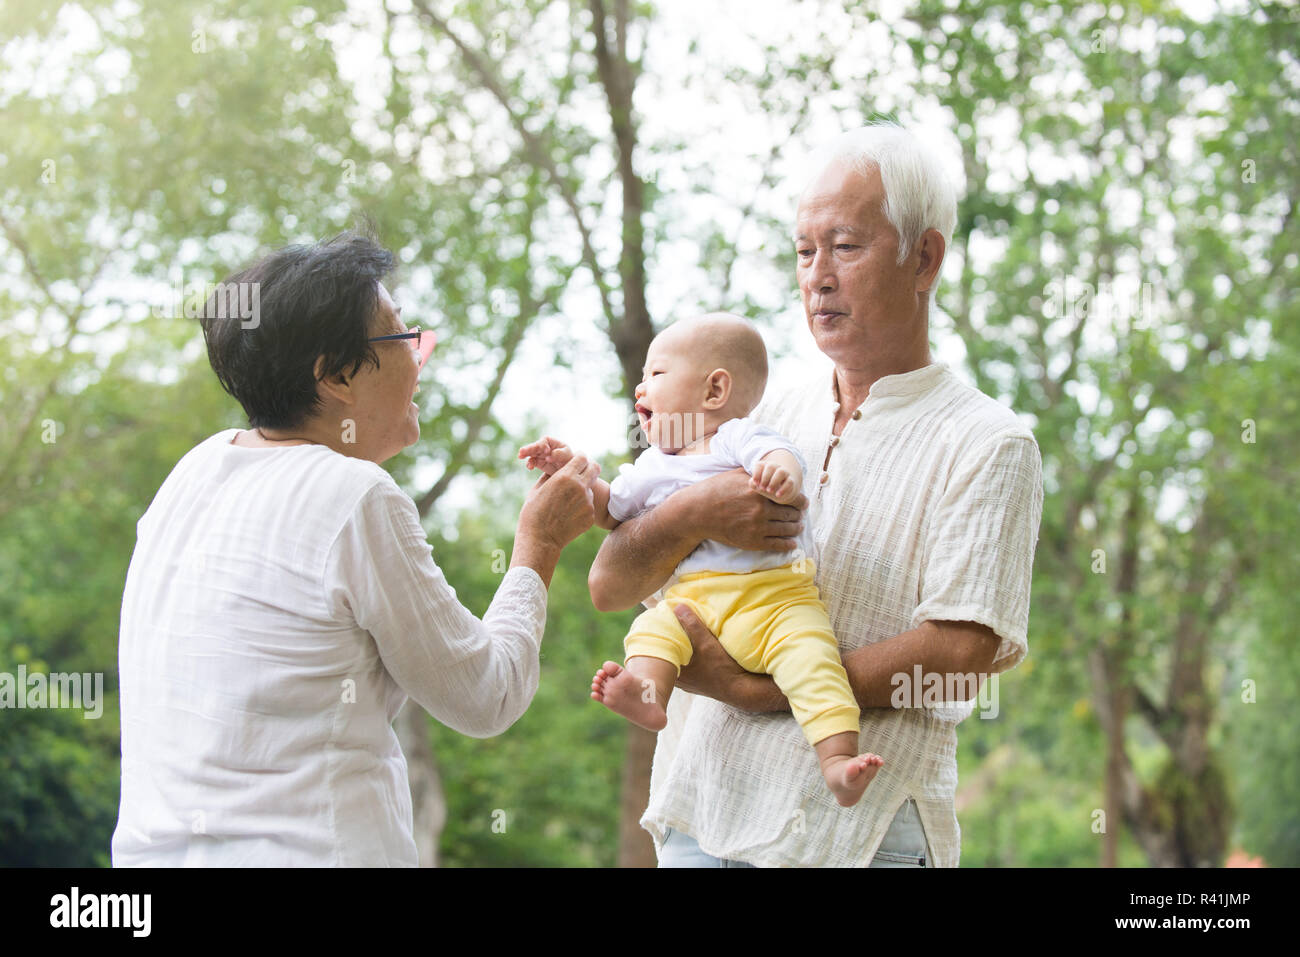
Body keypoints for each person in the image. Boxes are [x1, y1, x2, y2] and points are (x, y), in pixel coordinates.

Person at [587, 123, 1045, 867]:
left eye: (846, 246)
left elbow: (966, 651)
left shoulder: (987, 441)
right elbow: (610, 583)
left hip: (857, 834)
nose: (817, 276)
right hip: (701, 813)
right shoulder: (747, 416)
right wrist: (697, 509)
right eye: (805, 251)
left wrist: (756, 689)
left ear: (923, 256)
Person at [112, 232, 598, 866]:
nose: (420, 358)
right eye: (402, 339)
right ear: (336, 375)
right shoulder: (351, 493)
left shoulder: (195, 471)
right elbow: (487, 696)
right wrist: (540, 544)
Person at [519, 313, 883, 807]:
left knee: (815, 663)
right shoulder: (653, 466)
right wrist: (572, 471)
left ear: (714, 391)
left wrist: (780, 475)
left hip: (775, 600)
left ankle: (837, 762)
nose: (639, 389)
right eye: (642, 376)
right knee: (651, 630)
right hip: (695, 604)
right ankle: (649, 694)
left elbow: (781, 455)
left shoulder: (734, 437)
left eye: (657, 375)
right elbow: (610, 509)